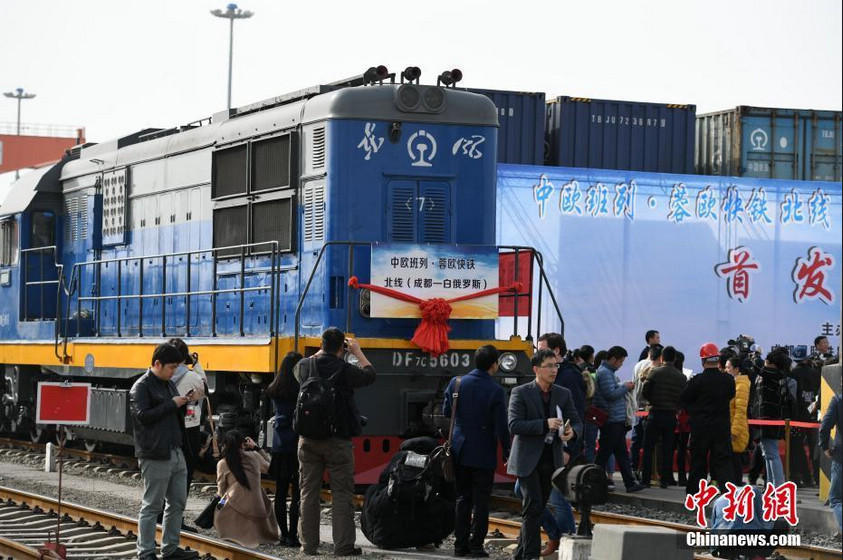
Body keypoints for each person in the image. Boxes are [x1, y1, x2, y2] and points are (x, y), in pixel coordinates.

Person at [295, 327, 376, 556]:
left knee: (308, 492)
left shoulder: (304, 366)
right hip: (337, 440)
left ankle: (308, 545)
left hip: (307, 439)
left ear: (321, 344)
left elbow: (298, 378)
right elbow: (370, 375)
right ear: (342, 347)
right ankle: (343, 546)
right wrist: (358, 352)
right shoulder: (345, 370)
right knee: (341, 494)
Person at [507, 349, 580, 560]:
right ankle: (530, 555)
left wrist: (571, 432)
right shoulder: (520, 392)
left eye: (556, 365)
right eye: (549, 366)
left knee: (535, 508)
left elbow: (576, 421)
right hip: (527, 460)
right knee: (533, 505)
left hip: (551, 459)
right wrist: (543, 424)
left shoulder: (563, 393)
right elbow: (514, 425)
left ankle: (521, 554)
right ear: (536, 369)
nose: (554, 370)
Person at [129, 343, 199, 560]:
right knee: (152, 505)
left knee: (177, 502)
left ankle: (170, 548)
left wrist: (186, 401)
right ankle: (146, 552)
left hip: (175, 451)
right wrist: (172, 404)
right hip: (155, 453)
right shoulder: (141, 387)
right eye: (171, 367)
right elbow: (142, 416)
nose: (174, 371)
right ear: (157, 364)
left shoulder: (167, 383)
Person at [443, 345, 510, 558]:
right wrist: (507, 450)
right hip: (483, 450)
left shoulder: (457, 382)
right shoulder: (496, 390)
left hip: (459, 448)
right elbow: (501, 425)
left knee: (463, 497)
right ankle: (476, 546)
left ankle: (459, 545)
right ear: (494, 365)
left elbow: (446, 411)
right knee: (481, 500)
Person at [680, 342, 735, 495]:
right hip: (721, 427)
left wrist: (695, 412)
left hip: (701, 428)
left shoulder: (697, 381)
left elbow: (684, 398)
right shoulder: (728, 380)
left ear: (703, 361)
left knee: (698, 462)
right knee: (723, 461)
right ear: (718, 360)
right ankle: (729, 495)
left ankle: (694, 494)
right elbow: (731, 395)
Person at [214, 429, 280, 546]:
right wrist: (257, 448)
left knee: (221, 505)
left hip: (237, 512)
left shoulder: (223, 463)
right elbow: (272, 468)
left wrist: (218, 505)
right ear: (243, 444)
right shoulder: (254, 456)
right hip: (260, 515)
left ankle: (233, 530)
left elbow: (221, 491)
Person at [593, 346, 644, 493]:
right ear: (613, 359)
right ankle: (593, 481)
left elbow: (611, 391)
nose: (621, 364)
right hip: (612, 420)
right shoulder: (605, 373)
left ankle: (629, 483)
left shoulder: (607, 372)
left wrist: (622, 386)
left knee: (620, 453)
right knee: (604, 454)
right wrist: (625, 387)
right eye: (620, 361)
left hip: (615, 419)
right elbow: (610, 394)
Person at [267, 351, 303, 547]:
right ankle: (293, 536)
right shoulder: (301, 389)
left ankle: (283, 535)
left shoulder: (274, 389)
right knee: (297, 493)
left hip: (280, 445)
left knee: (280, 492)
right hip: (297, 444)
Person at [640, 346, 686, 488]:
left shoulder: (654, 372)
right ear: (675, 359)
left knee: (648, 448)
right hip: (671, 415)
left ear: (661, 357)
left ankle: (646, 479)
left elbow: (645, 392)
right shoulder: (681, 377)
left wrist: (653, 401)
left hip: (655, 413)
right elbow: (682, 397)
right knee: (667, 449)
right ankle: (665, 480)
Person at [168, 338, 207, 497]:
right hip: (189, 430)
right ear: (184, 357)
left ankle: (162, 513)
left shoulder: (161, 375)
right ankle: (176, 516)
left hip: (167, 428)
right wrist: (196, 365)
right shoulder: (192, 377)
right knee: (185, 471)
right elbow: (204, 388)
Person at [750, 349, 795, 487]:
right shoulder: (773, 374)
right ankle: (771, 485)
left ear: (773, 363)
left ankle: (778, 487)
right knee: (768, 454)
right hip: (765, 419)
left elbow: (757, 367)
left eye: (767, 361)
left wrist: (753, 355)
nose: (765, 362)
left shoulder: (774, 373)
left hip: (770, 418)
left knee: (772, 454)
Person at [724, 356, 750, 486]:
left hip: (736, 428)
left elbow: (740, 410)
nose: (725, 369)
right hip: (730, 425)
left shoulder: (741, 385)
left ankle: (736, 485)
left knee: (735, 459)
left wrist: (734, 431)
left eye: (728, 367)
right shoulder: (732, 382)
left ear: (736, 369)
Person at [819, 390, 842, 529]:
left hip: (841, 456)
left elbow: (825, 426)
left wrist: (825, 447)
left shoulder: (838, 401)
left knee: (836, 499)